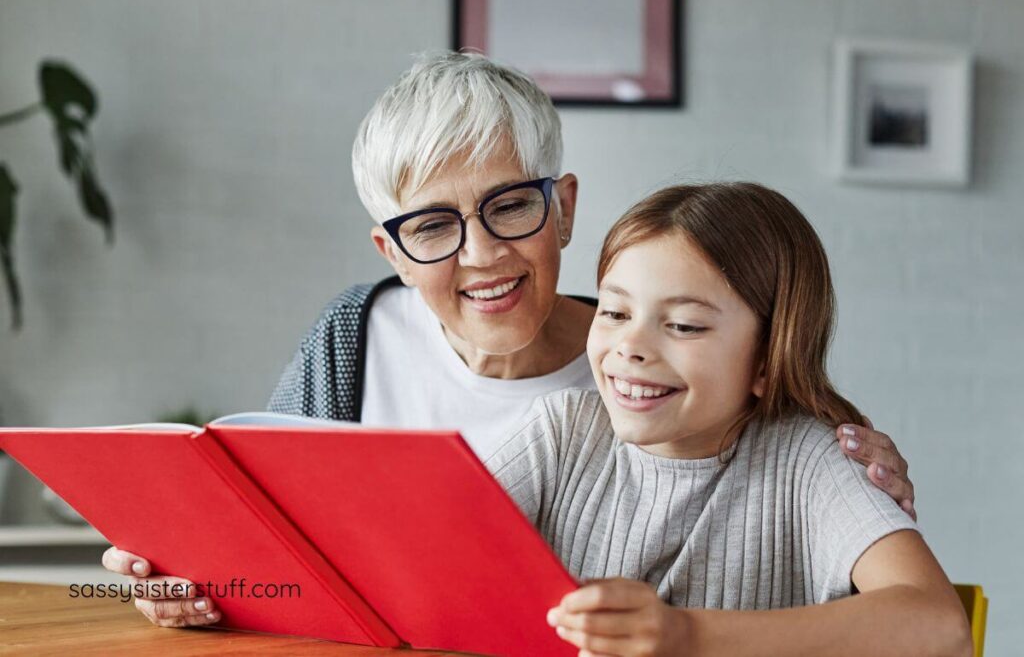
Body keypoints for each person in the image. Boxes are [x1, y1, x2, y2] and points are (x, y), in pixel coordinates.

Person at [101, 53, 917, 630]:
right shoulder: (353, 341)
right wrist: (205, 584)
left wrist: (855, 468)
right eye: (431, 226)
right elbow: (305, 563)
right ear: (390, 250)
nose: (482, 253)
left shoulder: (644, 366)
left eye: (511, 206)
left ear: (562, 206)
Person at [485, 183, 971, 656]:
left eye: (683, 325)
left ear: (766, 358)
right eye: (614, 312)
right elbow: (415, 560)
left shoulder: (811, 461)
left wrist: (686, 637)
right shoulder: (560, 433)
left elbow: (942, 629)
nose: (631, 346)